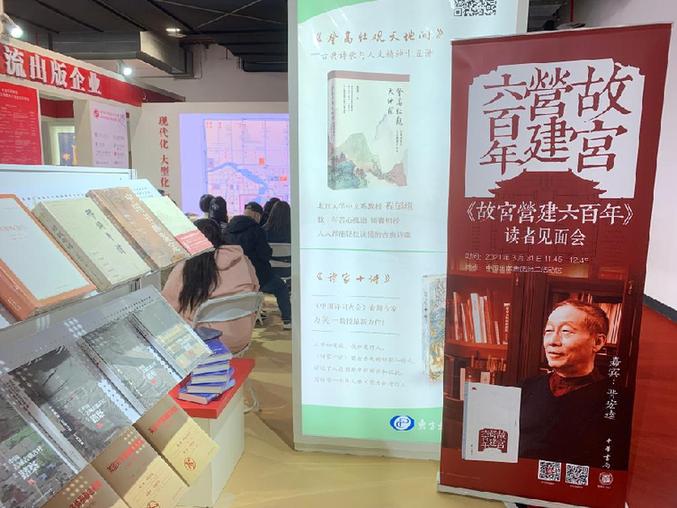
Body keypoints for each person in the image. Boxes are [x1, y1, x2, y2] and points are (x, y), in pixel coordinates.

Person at [518, 299, 627, 468]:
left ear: (597, 342)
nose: (552, 341)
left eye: (566, 331)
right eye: (548, 331)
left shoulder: (617, 402)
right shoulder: (526, 388)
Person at [162, 218, 259, 353]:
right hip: (240, 338)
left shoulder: (186, 267)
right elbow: (255, 290)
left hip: (204, 342)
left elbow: (166, 307)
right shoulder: (242, 260)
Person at [223, 201, 292, 329]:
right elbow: (265, 255)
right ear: (256, 215)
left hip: (234, 279)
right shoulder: (257, 231)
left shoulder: (227, 230)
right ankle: (288, 320)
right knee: (281, 288)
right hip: (258, 278)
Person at [262, 200, 291, 279]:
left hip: (268, 273)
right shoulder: (293, 233)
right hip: (288, 273)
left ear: (272, 214)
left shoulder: (263, 232)